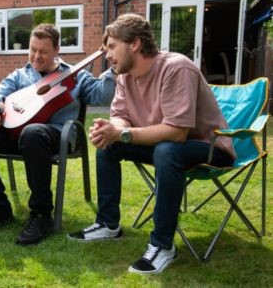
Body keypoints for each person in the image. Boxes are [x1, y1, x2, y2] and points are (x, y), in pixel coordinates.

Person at [67, 14, 235, 274]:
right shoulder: (123, 75)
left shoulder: (176, 68)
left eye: (112, 46)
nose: (107, 55)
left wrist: (123, 134)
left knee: (167, 149)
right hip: (162, 145)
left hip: (209, 147)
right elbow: (121, 116)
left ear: (134, 43)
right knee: (108, 145)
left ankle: (163, 245)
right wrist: (113, 131)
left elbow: (177, 132)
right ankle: (108, 224)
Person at [0, 23, 116, 245]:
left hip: (57, 137)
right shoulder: (20, 75)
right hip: (17, 136)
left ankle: (41, 214)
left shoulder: (76, 75)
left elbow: (103, 96)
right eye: (33, 50)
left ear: (56, 50)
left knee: (33, 133)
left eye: (43, 51)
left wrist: (113, 70)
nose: (36, 56)